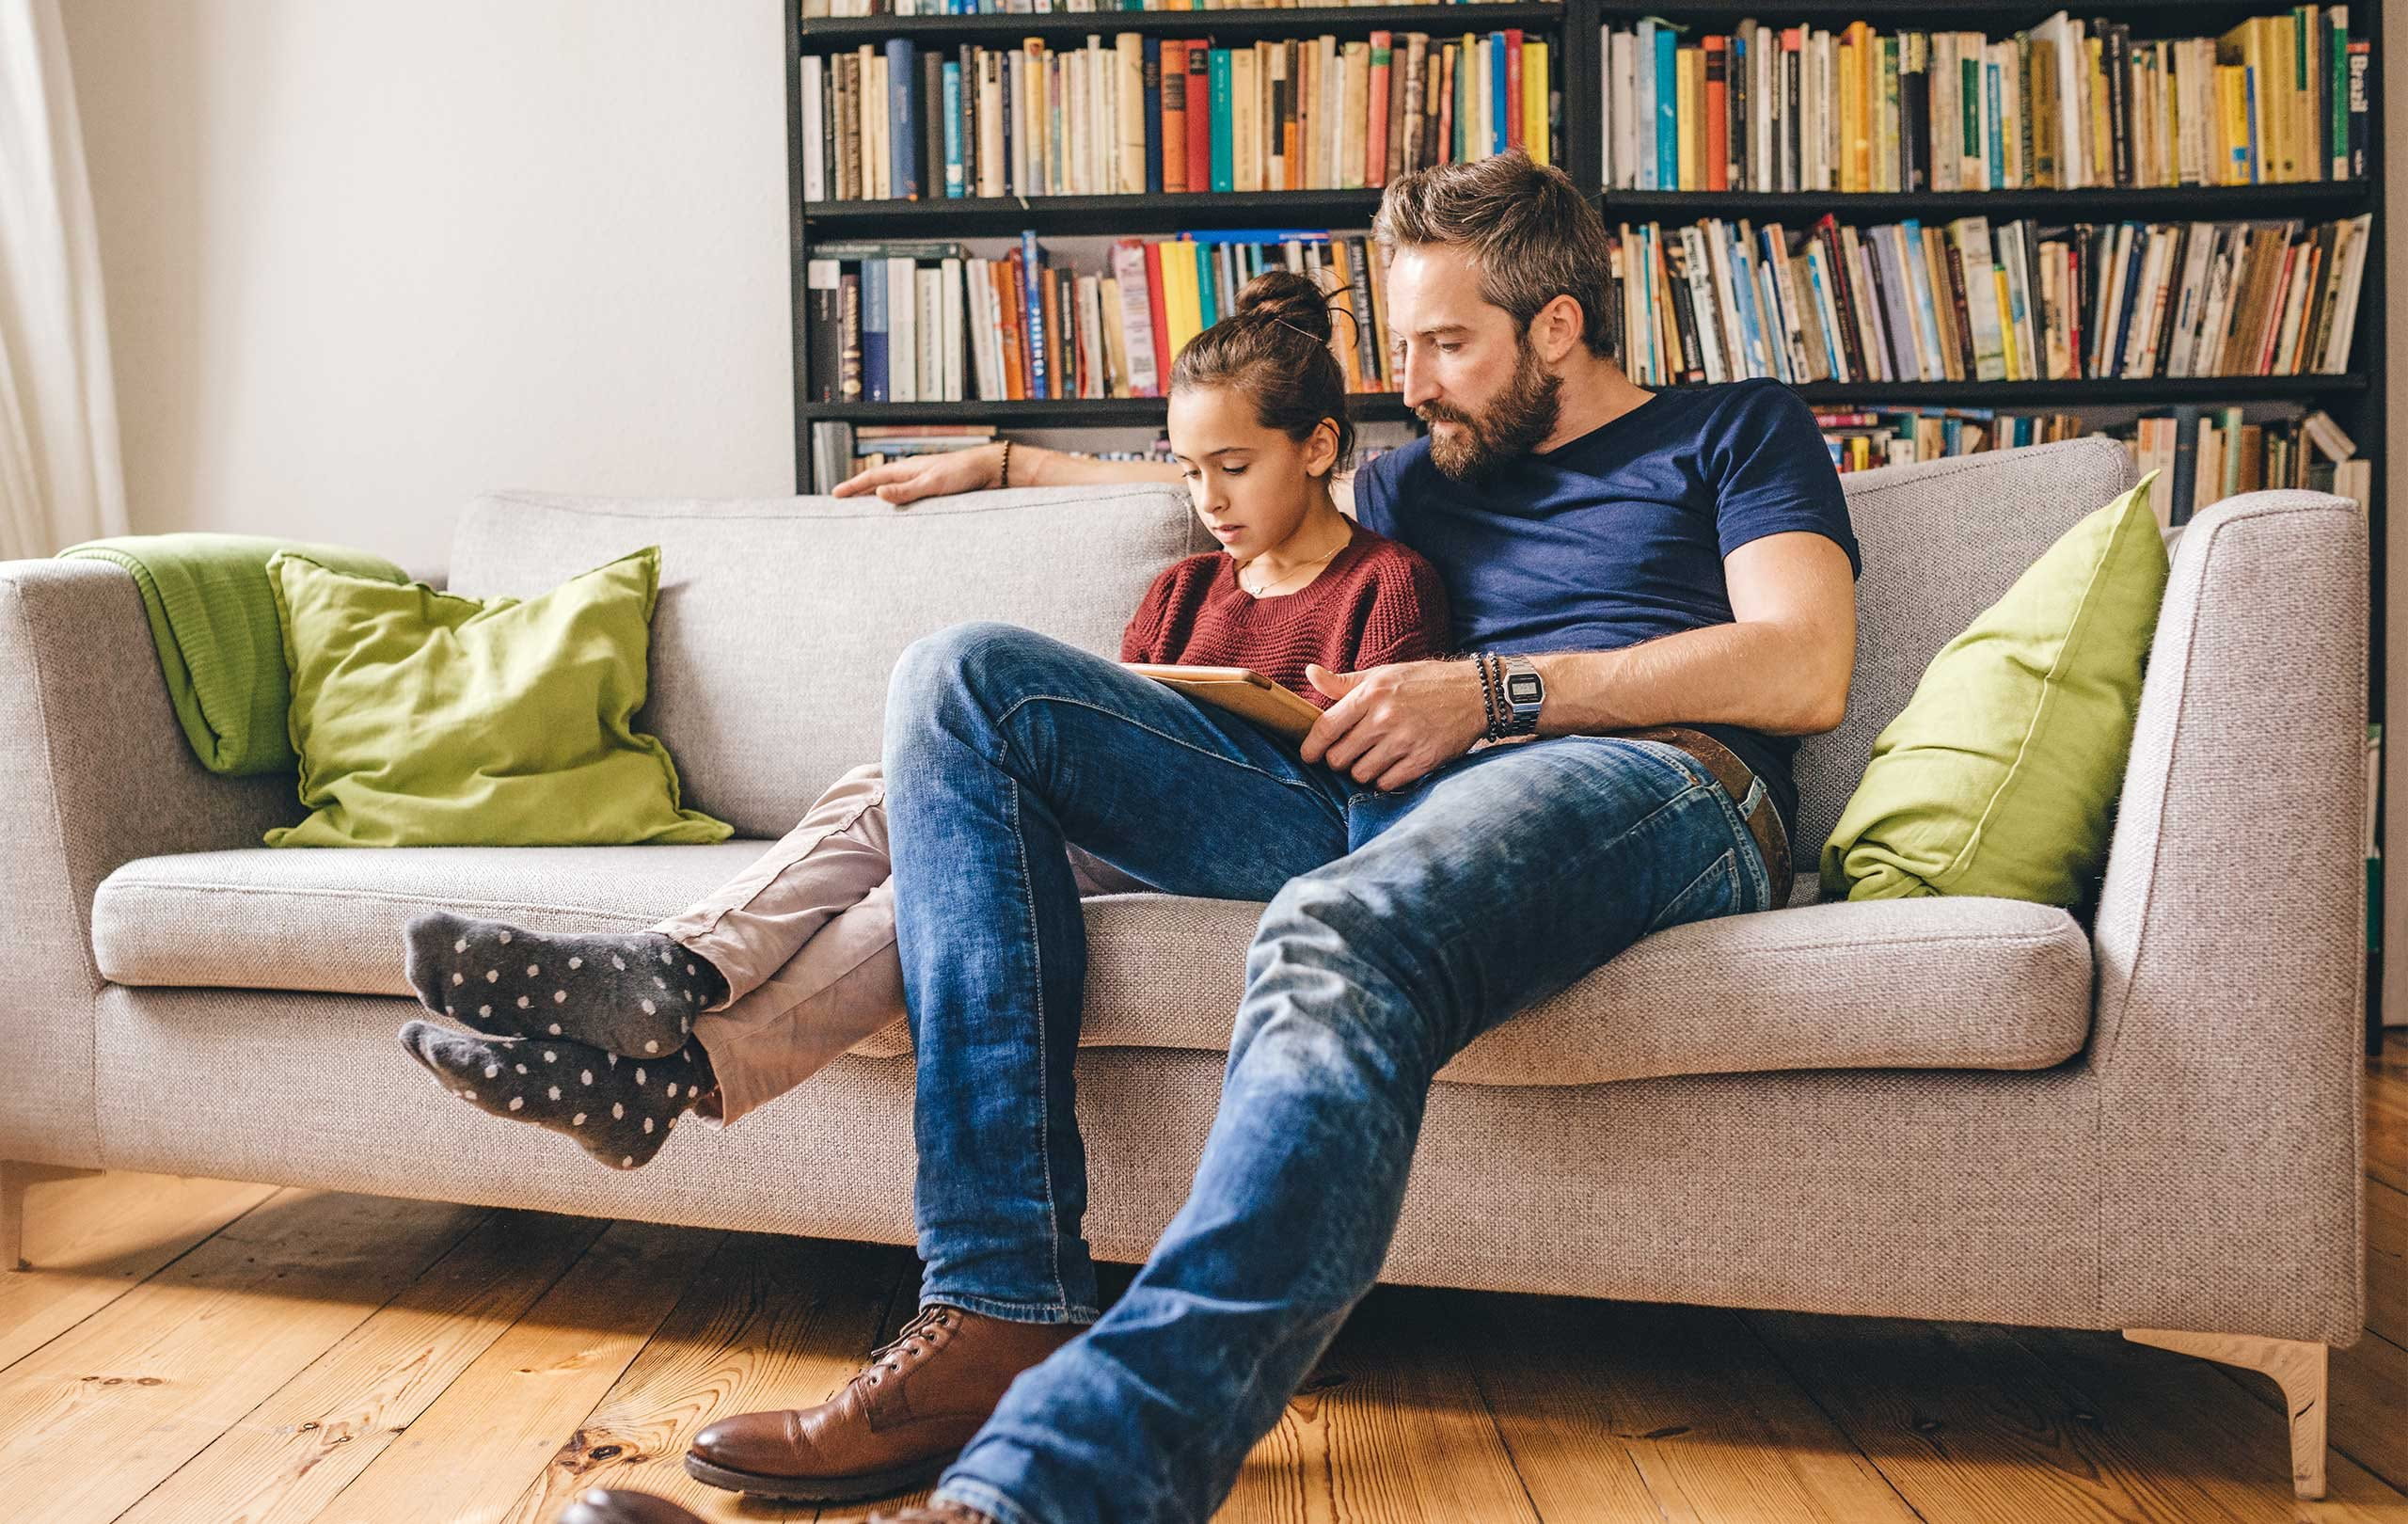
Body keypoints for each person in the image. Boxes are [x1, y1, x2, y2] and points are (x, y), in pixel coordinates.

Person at [565, 151, 1866, 1524]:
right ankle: (1000, 1303)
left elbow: (1803, 667)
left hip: (1653, 786)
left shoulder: (1734, 431)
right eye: (1402, 341)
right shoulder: (1431, 479)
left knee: (1335, 927)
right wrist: (1005, 460)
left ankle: (1054, 1485)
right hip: (1386, 796)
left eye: (1446, 344)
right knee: (961, 679)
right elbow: (1230, 465)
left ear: (1556, 325)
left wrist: (1494, 691)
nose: (1411, 384)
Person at [392, 270, 1452, 1178]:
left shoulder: (1386, 582)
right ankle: (667, 1038)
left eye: (1234, 467)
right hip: (1123, 835)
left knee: (944, 778)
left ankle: (668, 992)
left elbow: (1376, 791)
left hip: (1272, 837)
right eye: (1185, 469)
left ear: (1318, 448)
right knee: (913, 821)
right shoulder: (1182, 588)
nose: (1207, 498)